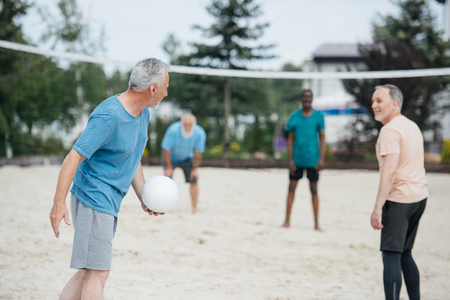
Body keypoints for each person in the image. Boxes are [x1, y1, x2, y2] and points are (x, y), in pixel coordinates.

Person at [49, 58, 170, 299]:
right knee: (98, 273)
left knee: (88, 271)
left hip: (109, 202)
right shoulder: (108, 116)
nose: (167, 92)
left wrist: (144, 195)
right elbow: (73, 158)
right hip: (94, 199)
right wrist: (58, 203)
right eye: (166, 85)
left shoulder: (143, 112)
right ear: (153, 88)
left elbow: (133, 157)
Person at [370, 84, 428, 300]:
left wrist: (378, 207)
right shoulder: (411, 125)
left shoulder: (390, 130)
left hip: (400, 199)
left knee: (391, 256)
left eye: (379, 101)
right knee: (405, 254)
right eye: (373, 101)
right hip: (419, 198)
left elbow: (390, 170)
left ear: (394, 103)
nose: (374, 105)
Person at [282, 89, 325, 230]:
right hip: (297, 160)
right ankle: (287, 221)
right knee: (291, 188)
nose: (307, 99)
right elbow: (290, 139)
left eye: (309, 96)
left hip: (313, 160)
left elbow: (322, 138)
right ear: (301, 99)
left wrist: (321, 159)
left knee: (314, 190)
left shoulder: (318, 116)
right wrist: (290, 160)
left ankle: (316, 224)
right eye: (305, 96)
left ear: (312, 99)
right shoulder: (294, 116)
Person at [161, 113, 206, 214]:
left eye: (190, 125)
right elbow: (166, 149)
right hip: (171, 157)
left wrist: (194, 170)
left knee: (194, 180)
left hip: (187, 157)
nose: (187, 127)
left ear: (194, 125)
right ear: (181, 123)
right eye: (185, 124)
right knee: (167, 180)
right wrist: (168, 167)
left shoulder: (200, 133)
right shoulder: (173, 130)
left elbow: (198, 153)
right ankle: (165, 207)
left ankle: (195, 207)